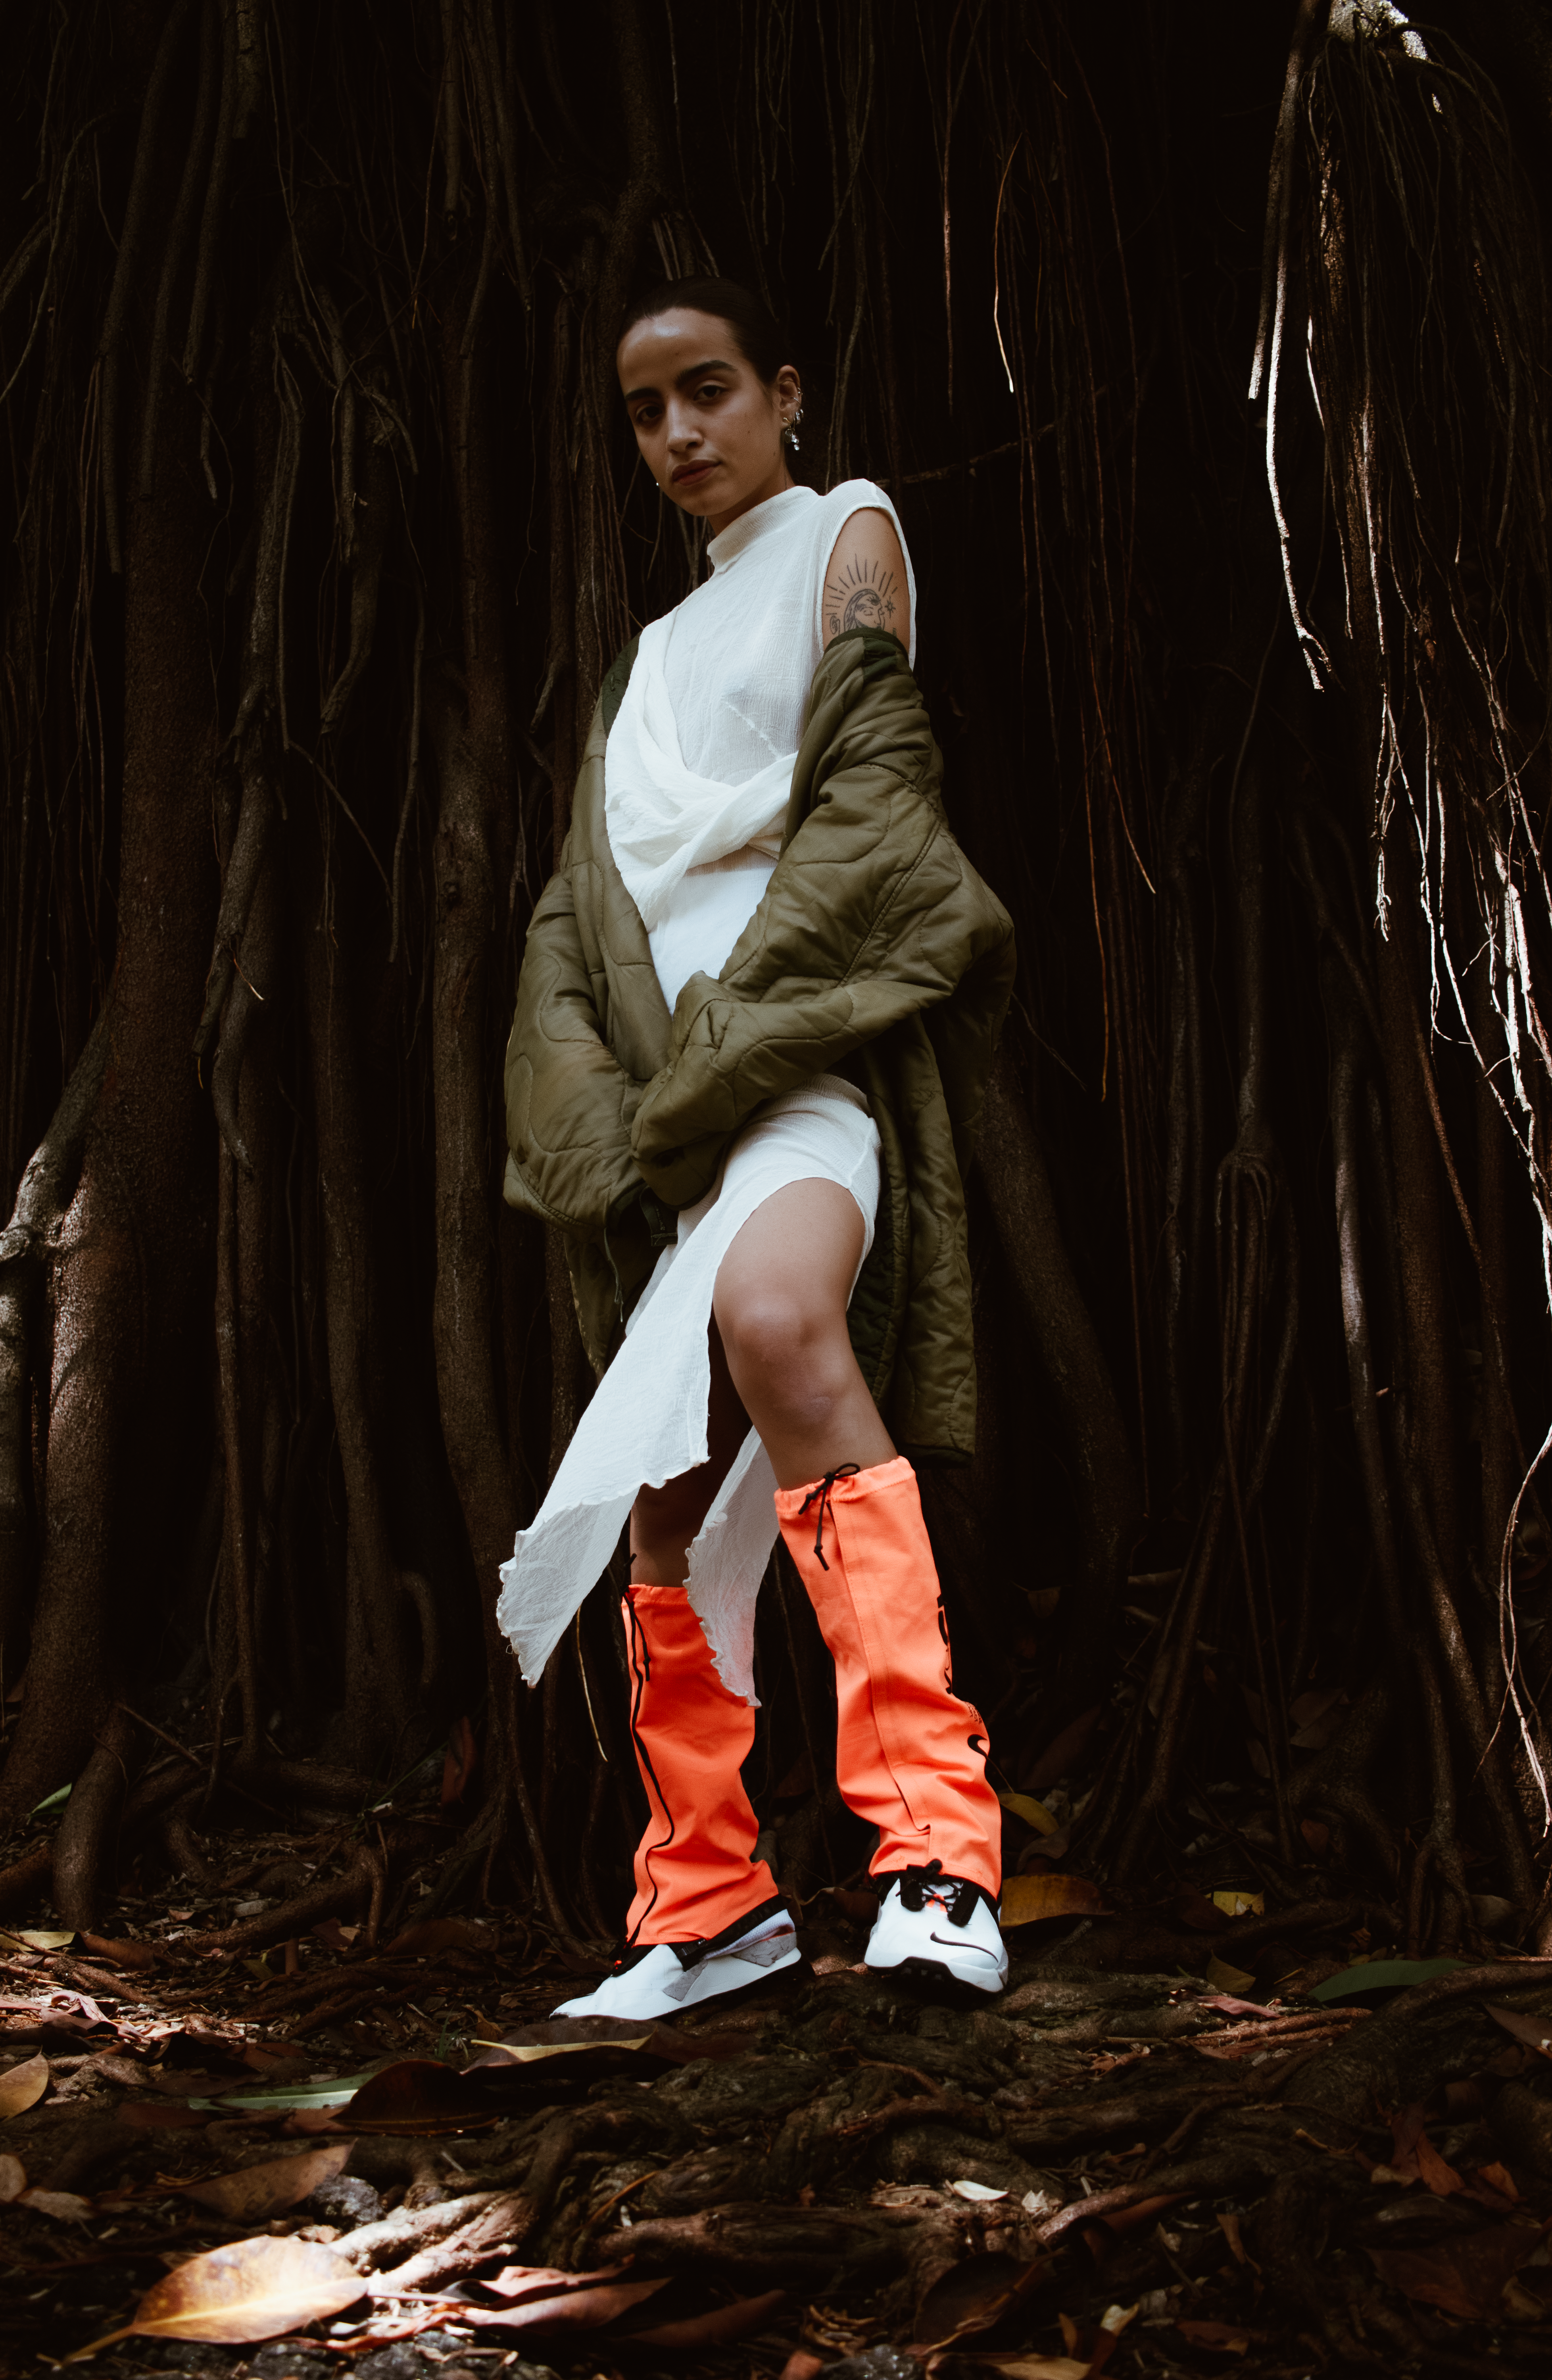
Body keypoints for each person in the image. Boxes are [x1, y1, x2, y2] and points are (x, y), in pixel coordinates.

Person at [500, 275, 1015, 2019]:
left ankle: (939, 1857)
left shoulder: (843, 536)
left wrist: (726, 1060)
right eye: (644, 412)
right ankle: (708, 1903)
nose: (677, 436)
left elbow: (874, 805)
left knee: (783, 1327)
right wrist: (628, 1123)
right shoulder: (643, 663)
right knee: (658, 1485)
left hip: (795, 1082)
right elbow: (575, 924)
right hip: (670, 1128)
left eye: (706, 391)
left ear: (783, 390)